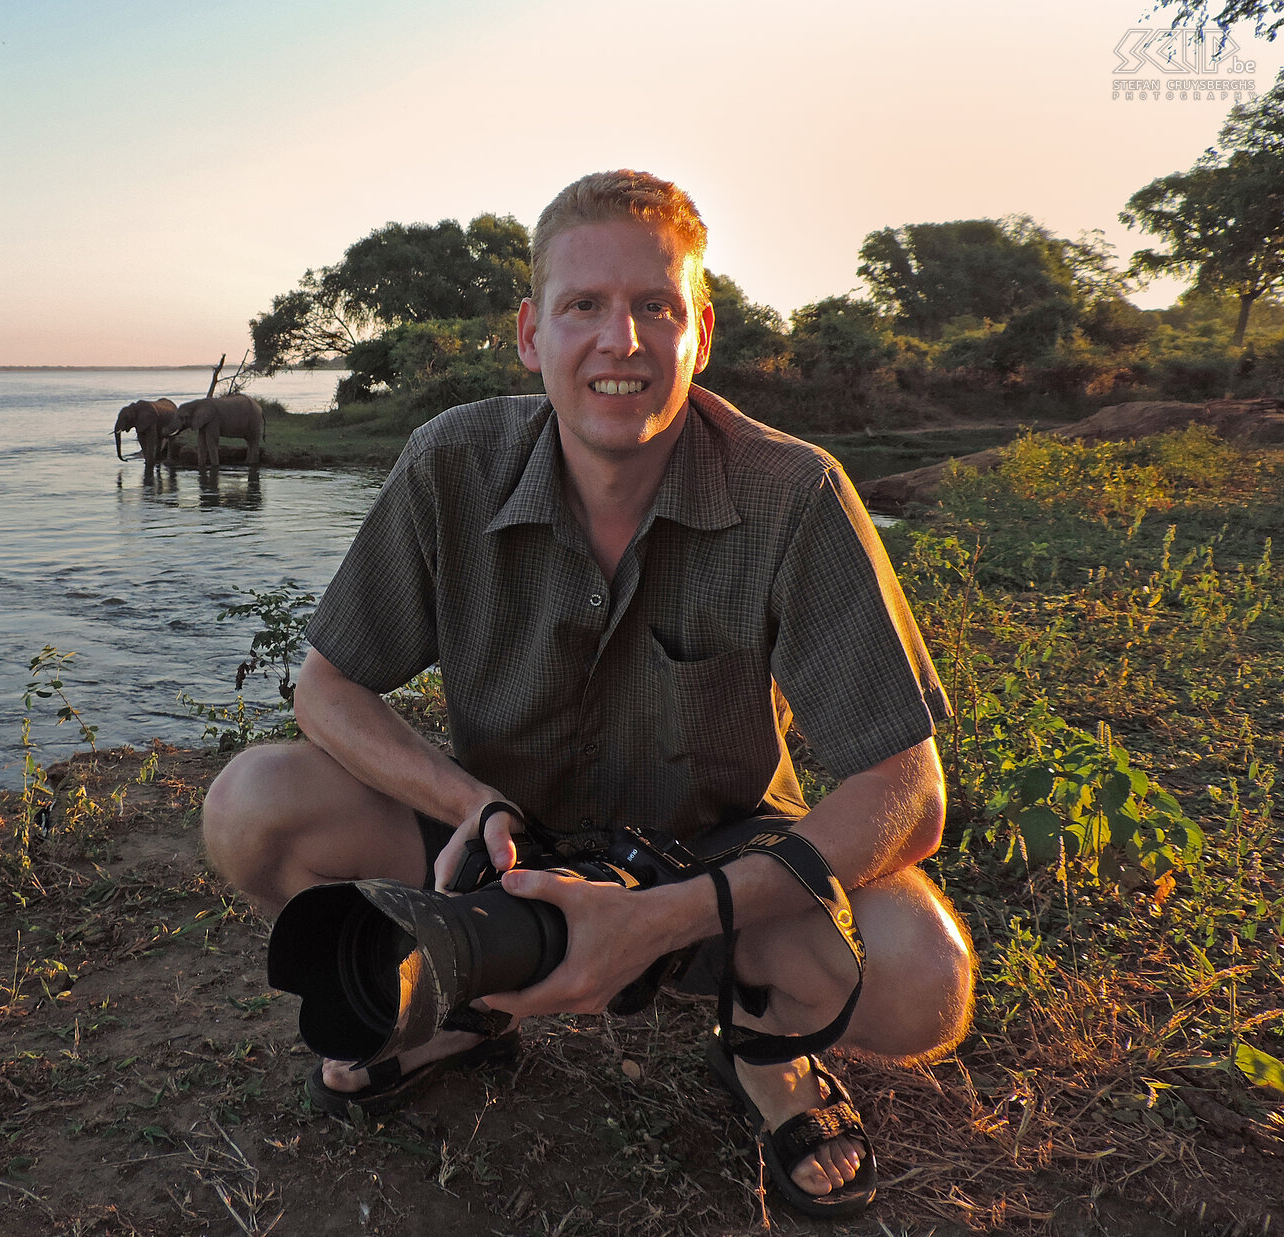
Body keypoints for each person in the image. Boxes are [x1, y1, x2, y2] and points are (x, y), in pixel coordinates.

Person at [202, 170, 973, 1218]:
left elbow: (907, 787)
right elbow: (327, 688)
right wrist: (469, 805)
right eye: (582, 306)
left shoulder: (790, 492)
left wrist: (664, 916)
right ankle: (459, 1005)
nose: (620, 340)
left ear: (699, 329)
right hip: (501, 859)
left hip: (713, 875)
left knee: (922, 972)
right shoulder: (449, 465)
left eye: (653, 305)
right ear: (530, 334)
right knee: (252, 806)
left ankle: (762, 1046)